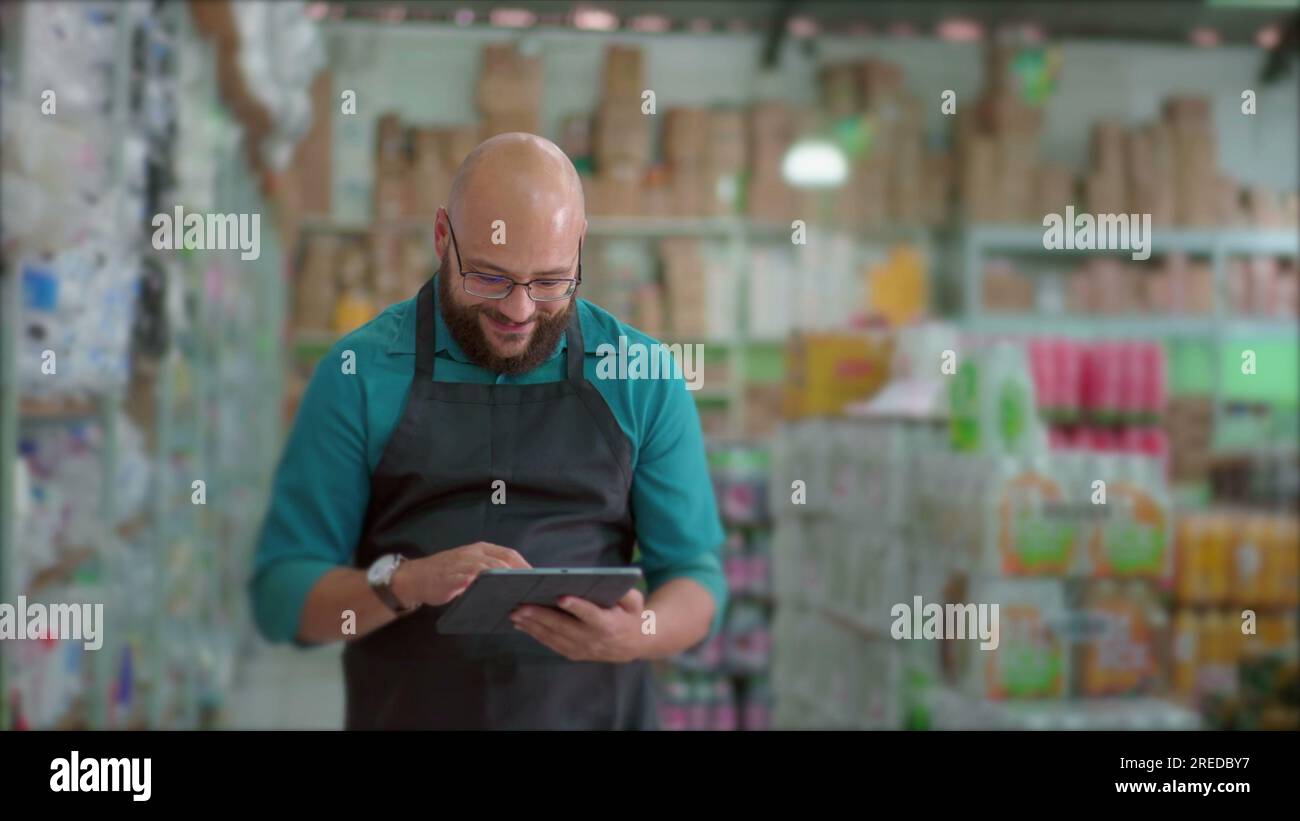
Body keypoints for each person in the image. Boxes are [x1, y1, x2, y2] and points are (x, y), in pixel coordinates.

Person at [250, 133, 726, 729]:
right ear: (442, 238)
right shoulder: (360, 375)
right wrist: (406, 582)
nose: (520, 311)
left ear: (580, 247)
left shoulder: (641, 375)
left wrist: (641, 632)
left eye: (551, 281)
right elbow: (282, 595)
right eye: (489, 277)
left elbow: (696, 578)